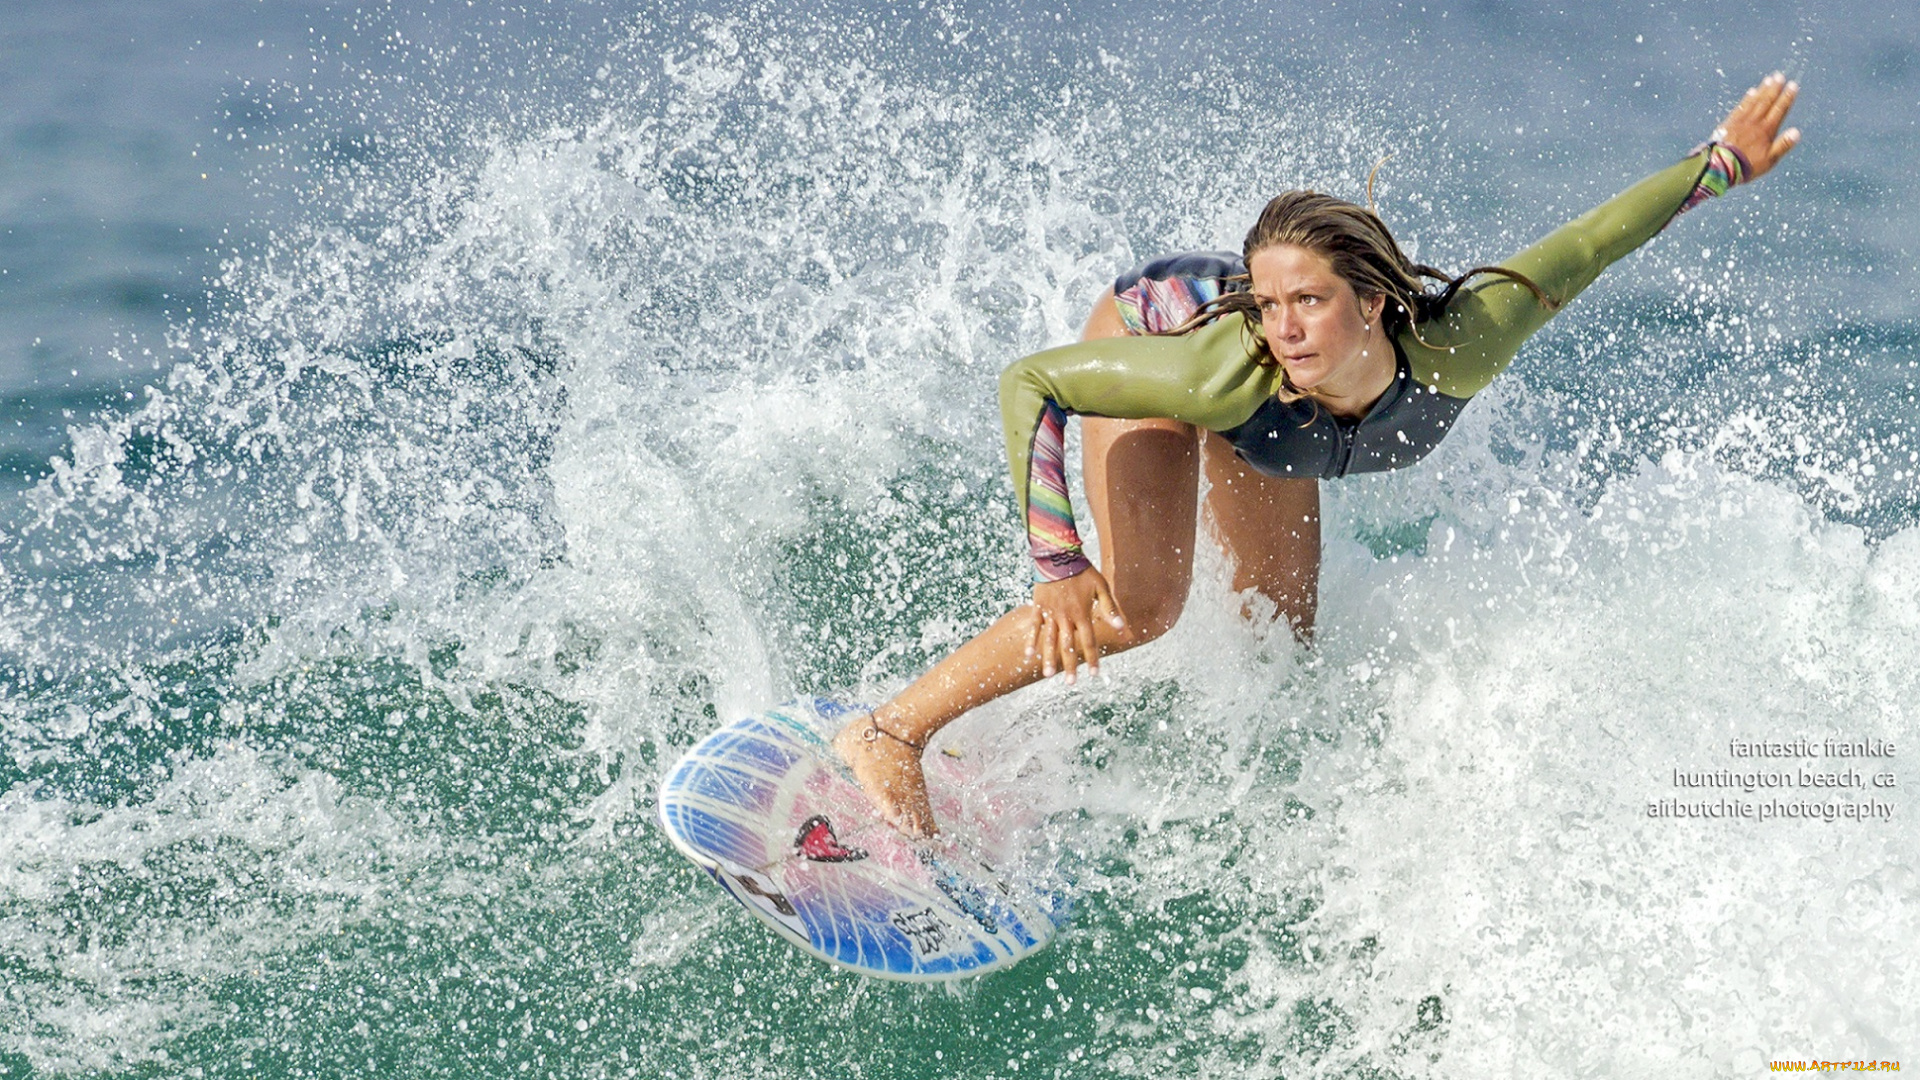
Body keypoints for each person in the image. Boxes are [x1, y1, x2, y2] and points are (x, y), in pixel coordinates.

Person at [833, 74, 1803, 838]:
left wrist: (1719, 162)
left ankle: (1037, 757)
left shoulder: (1465, 339)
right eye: (1271, 304)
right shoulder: (1226, 368)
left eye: (1310, 302)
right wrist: (1057, 561)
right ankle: (889, 733)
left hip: (1277, 425)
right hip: (1163, 329)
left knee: (1275, 639)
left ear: (1373, 300)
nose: (1287, 328)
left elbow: (1591, 242)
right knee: (1140, 607)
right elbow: (1033, 382)